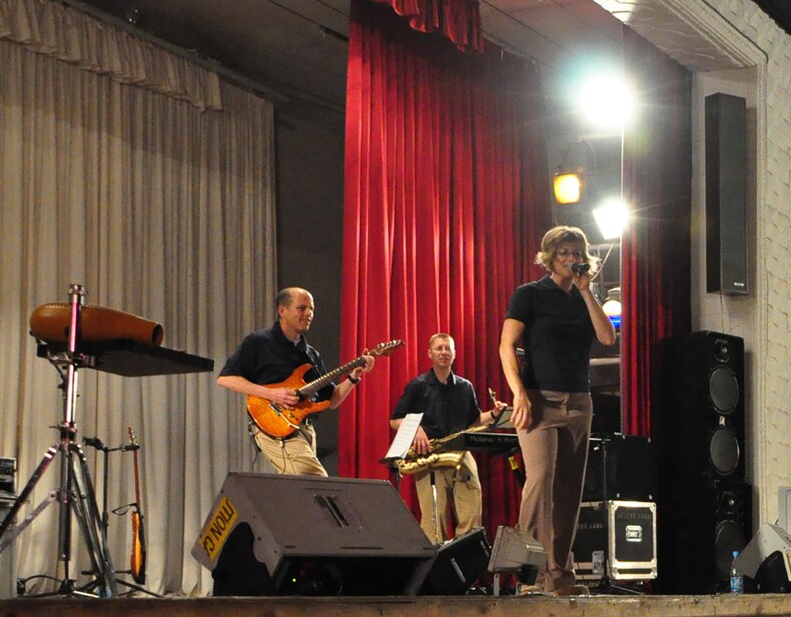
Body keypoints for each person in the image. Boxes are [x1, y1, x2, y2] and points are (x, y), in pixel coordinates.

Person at [500, 225, 616, 597]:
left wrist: (586, 292)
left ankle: (559, 573)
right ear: (549, 256)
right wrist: (518, 393)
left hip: (579, 403)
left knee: (569, 490)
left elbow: (608, 337)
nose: (571, 259)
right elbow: (506, 346)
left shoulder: (585, 297)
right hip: (539, 400)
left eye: (576, 252)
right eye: (563, 252)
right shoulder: (530, 295)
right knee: (540, 479)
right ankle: (529, 573)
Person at [216, 288, 372, 476]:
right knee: (316, 484)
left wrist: (354, 376)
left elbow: (332, 400)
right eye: (302, 308)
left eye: (311, 309)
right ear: (282, 310)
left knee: (299, 494)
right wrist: (272, 394)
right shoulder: (259, 342)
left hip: (305, 430)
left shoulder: (311, 354)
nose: (309, 314)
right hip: (275, 426)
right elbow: (225, 378)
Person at [391, 333, 500, 544]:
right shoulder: (418, 385)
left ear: (454, 354)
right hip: (430, 456)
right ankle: (437, 571)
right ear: (429, 353)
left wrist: (494, 414)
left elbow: (474, 420)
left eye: (447, 348)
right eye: (439, 348)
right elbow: (395, 420)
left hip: (460, 453)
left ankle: (466, 567)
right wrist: (416, 429)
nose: (443, 352)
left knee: (472, 517)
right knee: (435, 521)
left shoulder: (465, 386)